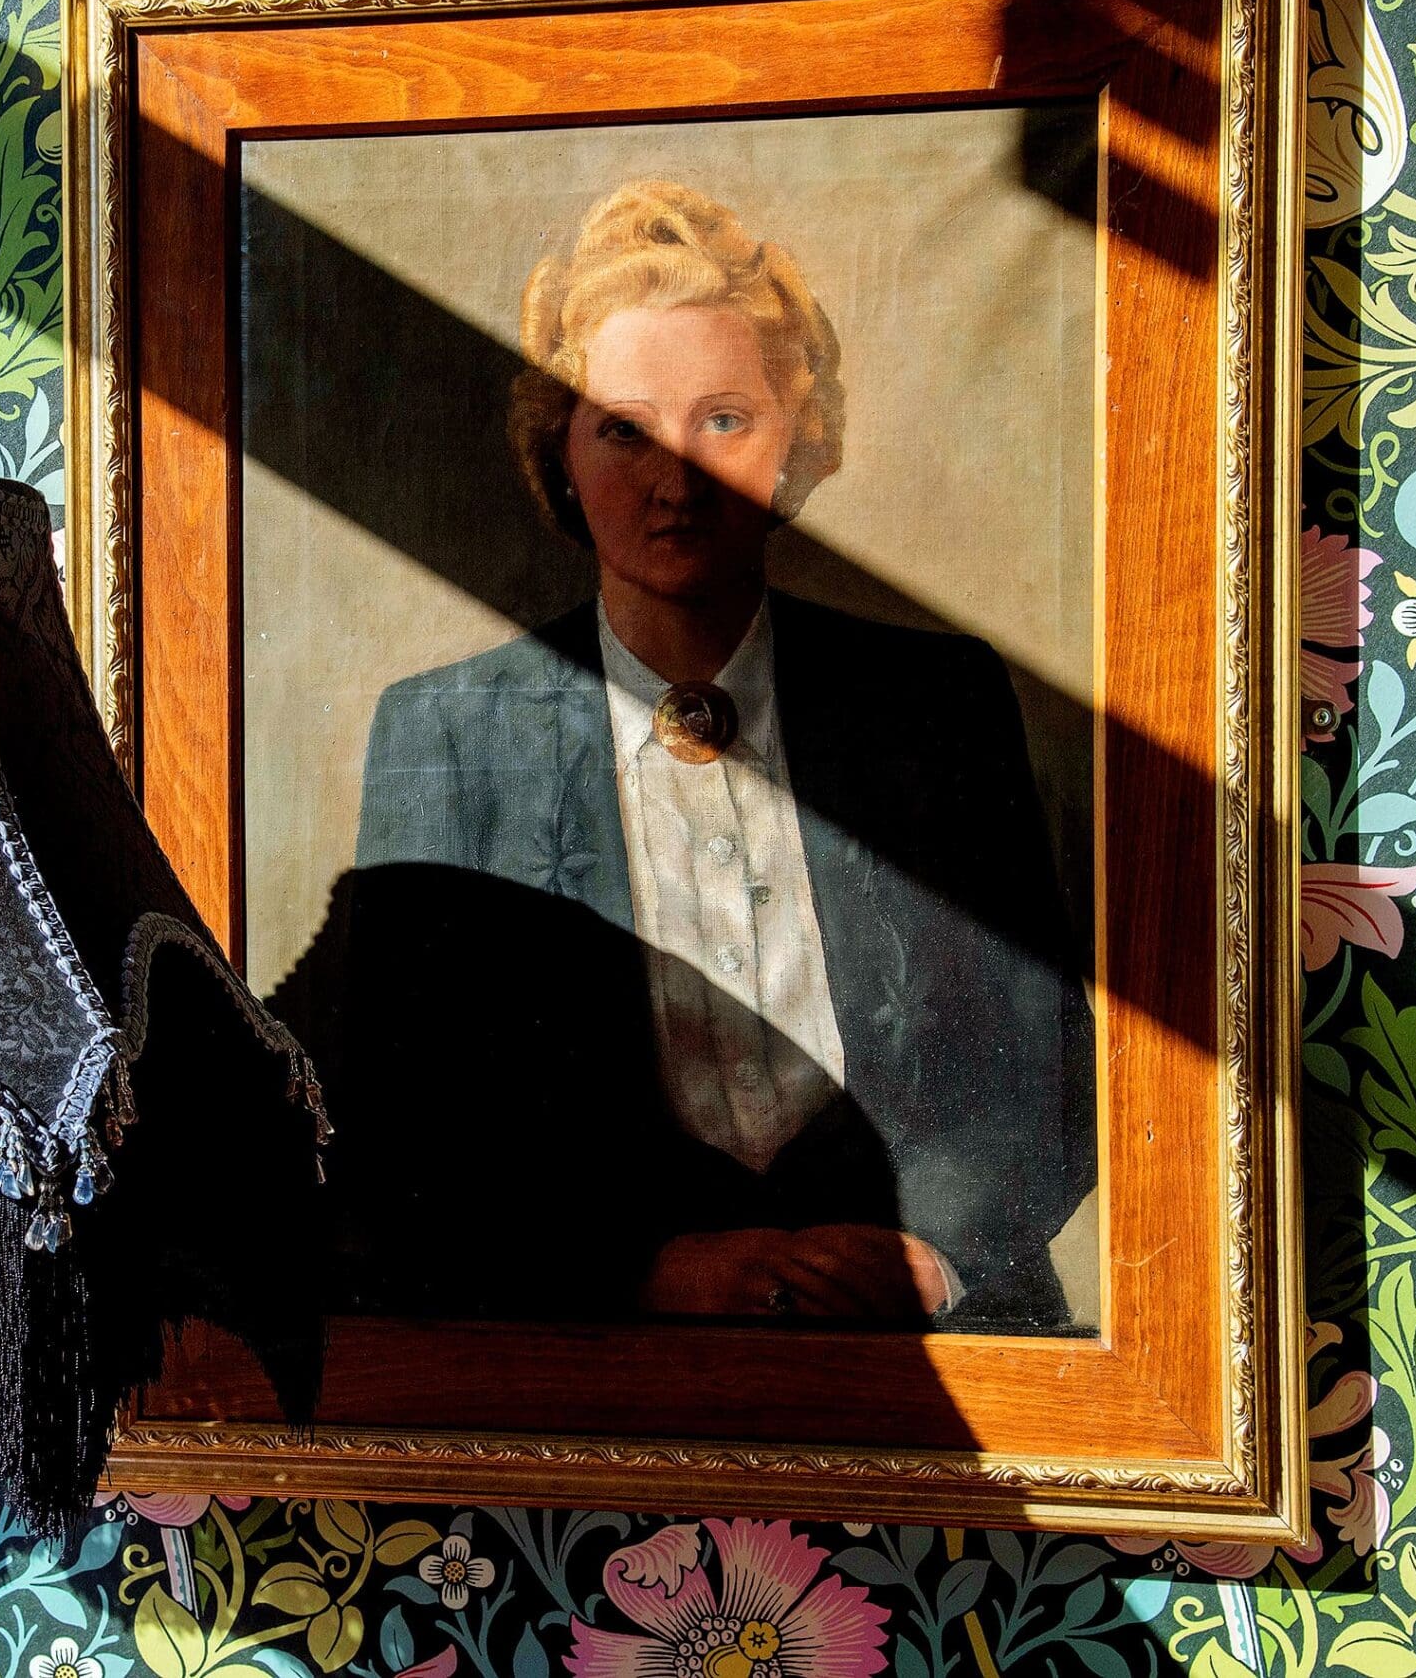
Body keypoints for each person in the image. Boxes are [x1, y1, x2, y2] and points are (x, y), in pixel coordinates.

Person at [317, 180, 1095, 1329]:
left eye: (723, 419)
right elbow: (402, 1136)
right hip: (589, 1353)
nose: (674, 481)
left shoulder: (935, 703)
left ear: (794, 440)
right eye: (622, 429)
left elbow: (1046, 1078)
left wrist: (930, 1256)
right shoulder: (451, 734)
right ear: (561, 453)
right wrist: (637, 1274)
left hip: (929, 1345)